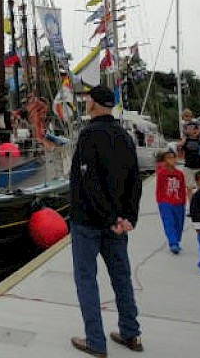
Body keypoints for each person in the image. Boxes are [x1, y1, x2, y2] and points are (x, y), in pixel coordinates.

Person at [69, 85, 143, 357]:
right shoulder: (124, 135)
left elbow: (89, 182)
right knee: (121, 276)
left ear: (94, 104)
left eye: (87, 99)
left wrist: (111, 217)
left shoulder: (90, 135)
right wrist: (127, 218)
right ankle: (131, 333)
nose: (85, 102)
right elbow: (135, 180)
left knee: (87, 279)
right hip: (117, 223)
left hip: (89, 221)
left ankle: (96, 342)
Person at [155, 150, 186, 254]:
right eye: (168, 158)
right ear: (164, 160)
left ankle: (176, 239)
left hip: (178, 202)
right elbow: (159, 188)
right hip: (165, 202)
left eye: (173, 157)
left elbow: (182, 188)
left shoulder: (180, 174)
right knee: (169, 222)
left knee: (179, 223)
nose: (172, 160)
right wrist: (160, 201)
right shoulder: (161, 173)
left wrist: (183, 201)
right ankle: (173, 243)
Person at [177, 120, 200, 205]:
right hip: (188, 166)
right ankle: (192, 205)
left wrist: (199, 133)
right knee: (189, 187)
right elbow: (180, 152)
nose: (190, 130)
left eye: (192, 128)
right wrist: (181, 144)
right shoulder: (185, 140)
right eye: (188, 128)